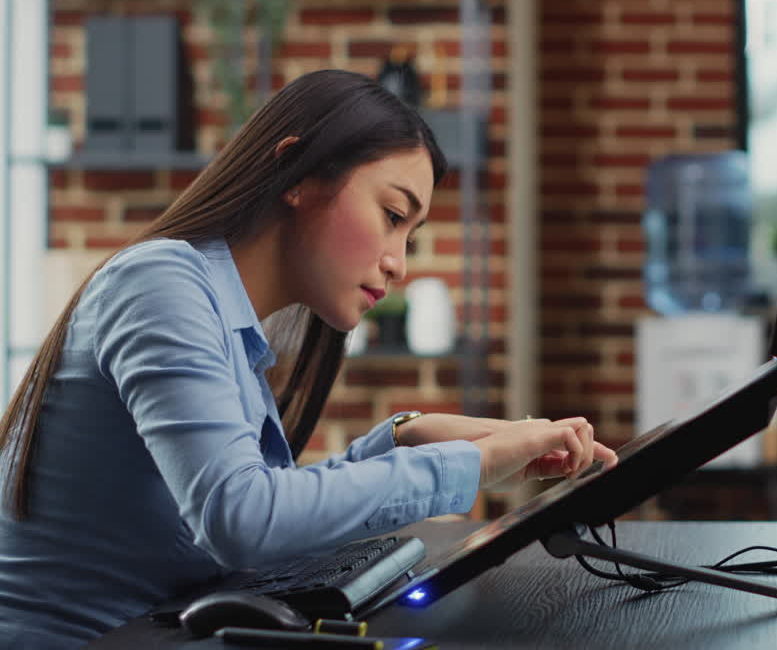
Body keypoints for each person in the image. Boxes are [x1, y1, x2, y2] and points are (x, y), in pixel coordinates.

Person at [0, 69, 618, 647]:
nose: (399, 263)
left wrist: (405, 437)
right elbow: (241, 518)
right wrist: (470, 465)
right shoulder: (160, 283)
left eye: (410, 233)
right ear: (297, 173)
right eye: (392, 215)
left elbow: (264, 512)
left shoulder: (222, 316)